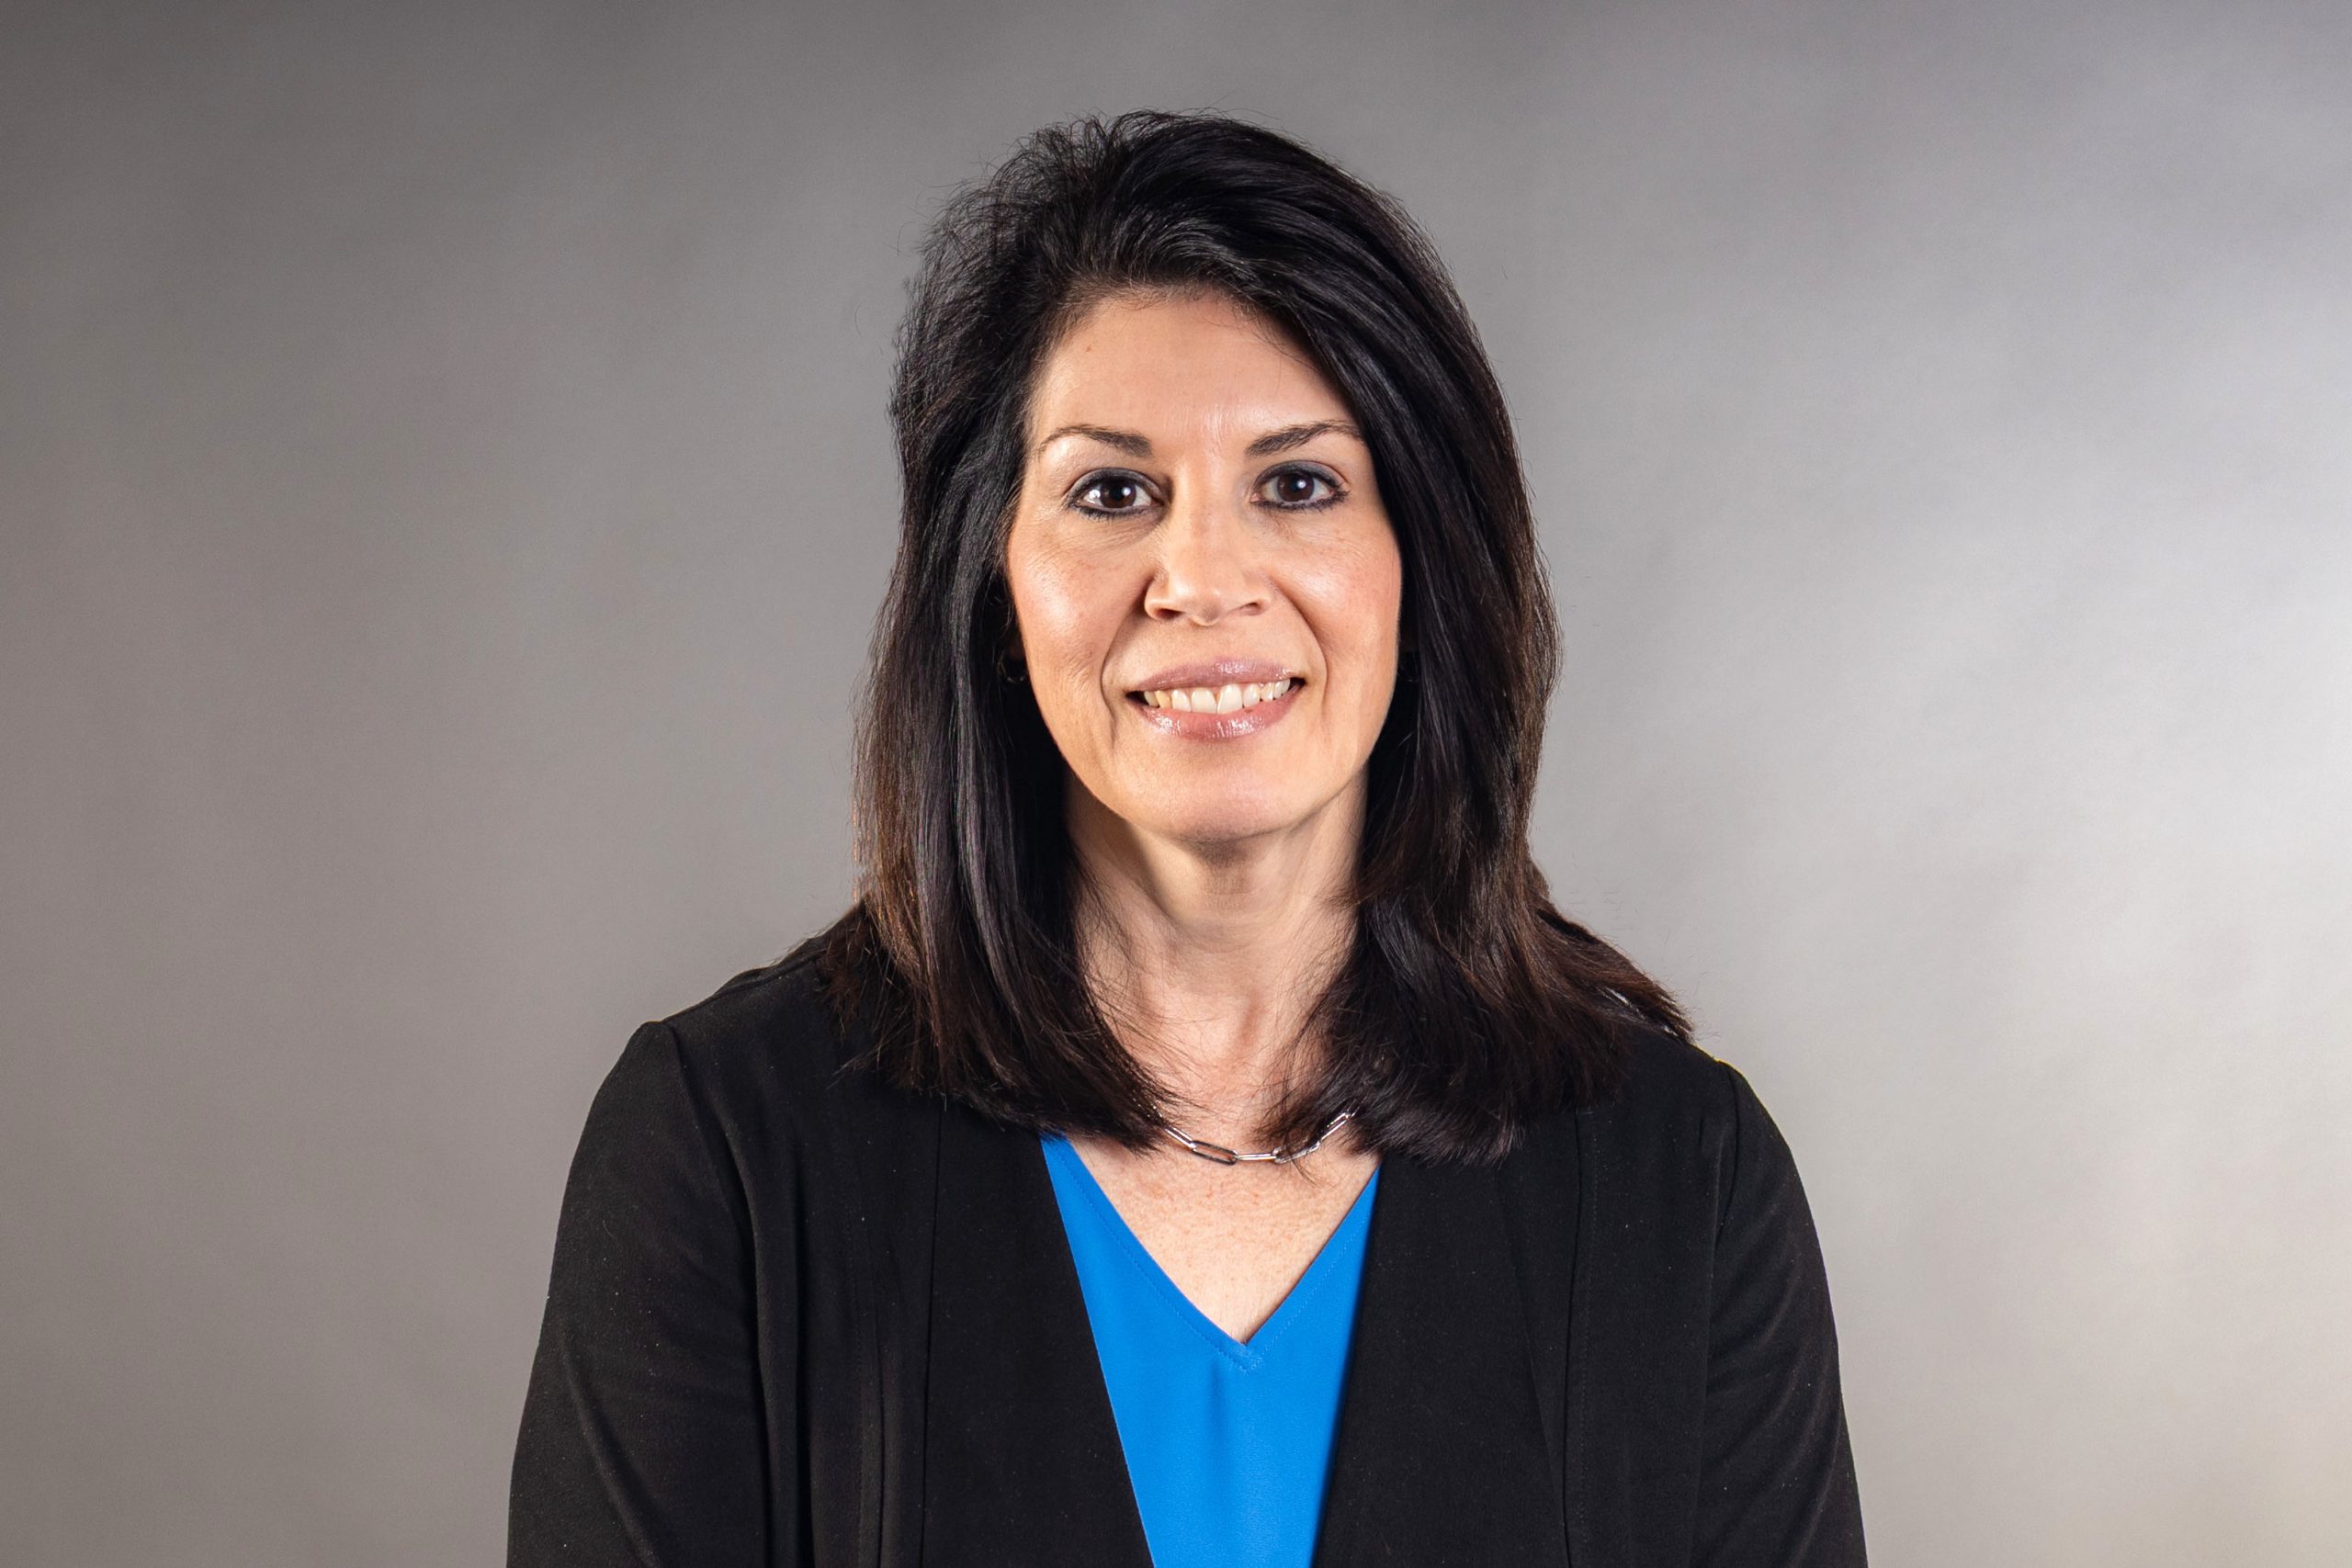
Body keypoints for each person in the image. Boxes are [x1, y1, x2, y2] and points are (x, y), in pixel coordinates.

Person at [508, 110, 1866, 1567]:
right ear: (994, 582)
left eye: (1298, 484)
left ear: (1424, 559)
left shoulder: (1679, 1179)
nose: (1203, 579)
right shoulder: (726, 1151)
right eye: (1112, 492)